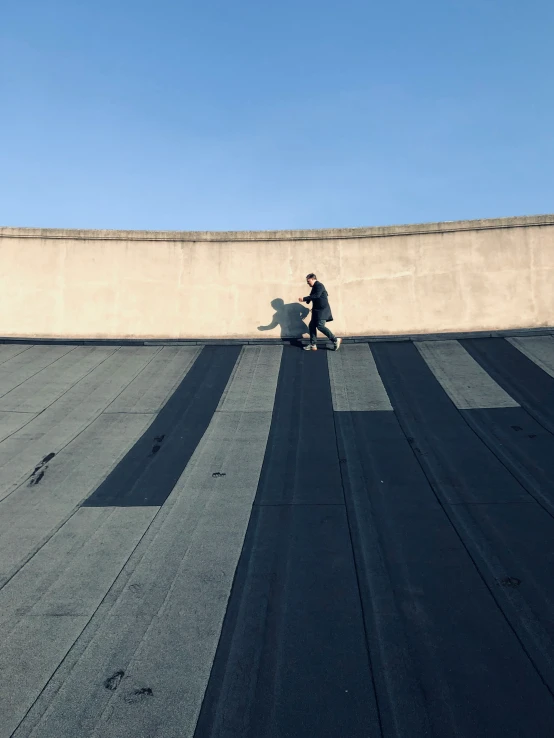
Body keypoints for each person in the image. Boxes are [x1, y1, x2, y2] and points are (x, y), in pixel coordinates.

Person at [298, 273, 342, 351]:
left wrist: (304, 298)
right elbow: (312, 296)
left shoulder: (319, 285)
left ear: (313, 279)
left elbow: (317, 295)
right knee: (312, 326)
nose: (307, 283)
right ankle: (313, 344)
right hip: (316, 311)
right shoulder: (314, 287)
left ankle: (335, 340)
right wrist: (307, 300)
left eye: (308, 281)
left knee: (320, 326)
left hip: (322, 311)